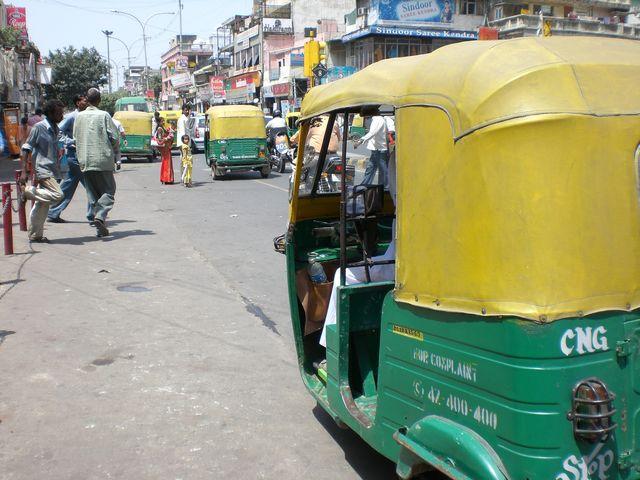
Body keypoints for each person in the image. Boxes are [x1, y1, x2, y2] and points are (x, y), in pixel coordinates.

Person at [73, 88, 120, 238]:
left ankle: (100, 228)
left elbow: (75, 138)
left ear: (87, 99)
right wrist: (112, 149)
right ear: (99, 100)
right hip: (102, 160)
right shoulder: (104, 115)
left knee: (93, 195)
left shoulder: (79, 117)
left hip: (85, 160)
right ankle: (100, 215)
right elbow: (114, 137)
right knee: (109, 191)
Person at [18, 99, 65, 243]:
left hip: (53, 169)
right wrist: (24, 170)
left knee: (42, 205)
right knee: (58, 195)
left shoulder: (55, 128)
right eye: (59, 113)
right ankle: (27, 192)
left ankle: (35, 235)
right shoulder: (39, 127)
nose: (62, 116)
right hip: (43, 170)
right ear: (50, 113)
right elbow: (27, 148)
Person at [47, 94, 89, 223]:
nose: (86, 102)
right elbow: (59, 133)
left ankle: (53, 212)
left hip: (79, 156)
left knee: (67, 186)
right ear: (77, 103)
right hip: (73, 156)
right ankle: (94, 214)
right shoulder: (72, 117)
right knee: (92, 186)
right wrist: (72, 141)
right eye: (84, 100)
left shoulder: (87, 115)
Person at [355, 115, 390, 186]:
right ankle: (365, 185)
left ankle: (386, 187)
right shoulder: (375, 119)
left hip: (380, 149)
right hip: (375, 149)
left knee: (383, 170)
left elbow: (372, 133)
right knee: (370, 168)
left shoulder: (377, 120)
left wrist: (360, 141)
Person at [156, 117, 175, 184]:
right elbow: (160, 139)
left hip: (166, 147)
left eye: (164, 121)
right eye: (162, 121)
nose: (163, 122)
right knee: (167, 163)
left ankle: (166, 178)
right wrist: (167, 138)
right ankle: (167, 179)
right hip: (165, 148)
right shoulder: (159, 129)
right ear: (159, 122)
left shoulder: (162, 128)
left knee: (166, 162)